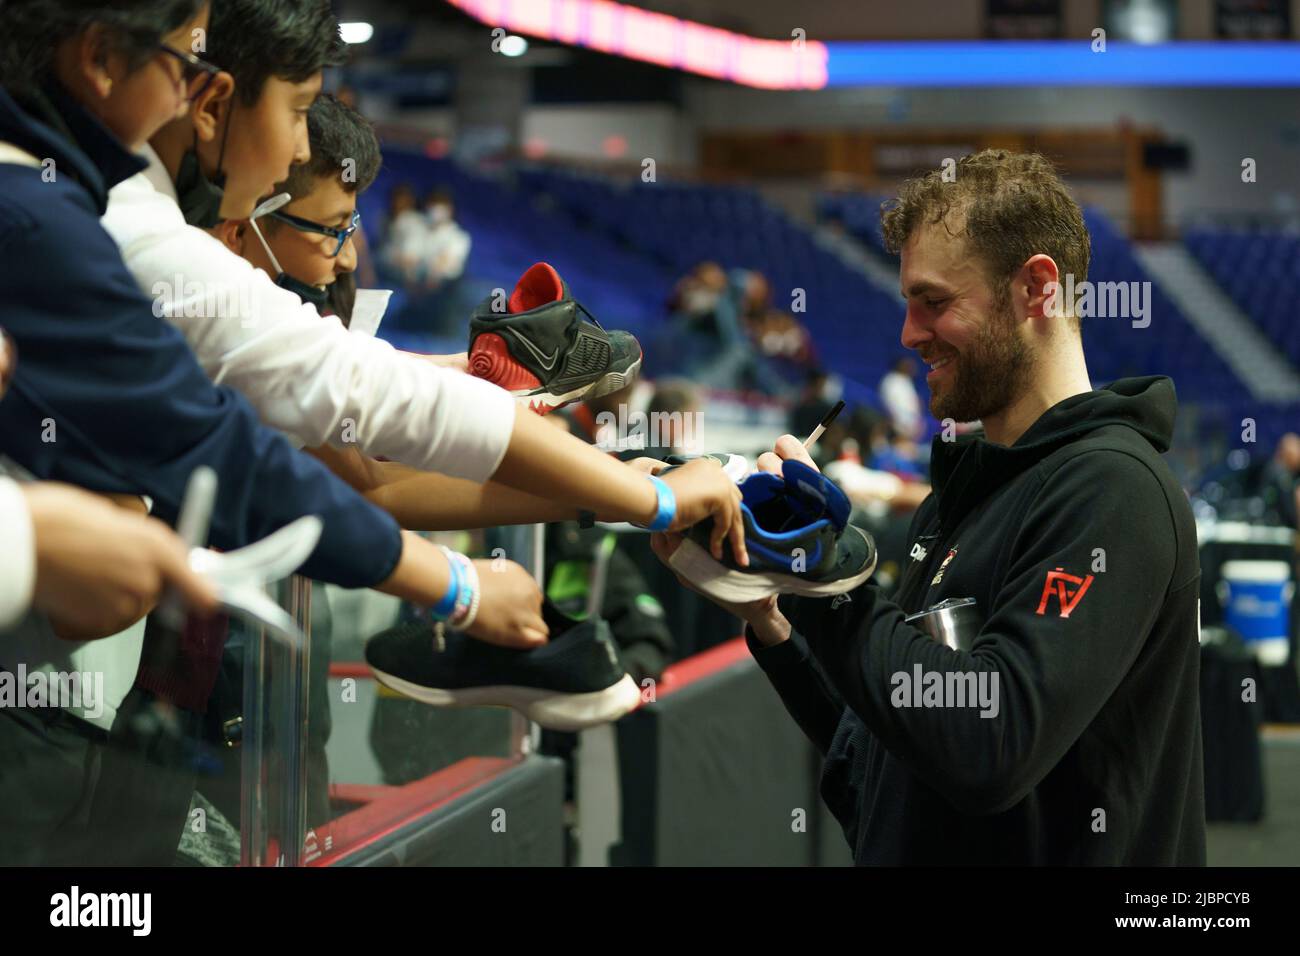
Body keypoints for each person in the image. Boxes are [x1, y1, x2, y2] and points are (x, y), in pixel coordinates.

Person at [654, 149, 1205, 865]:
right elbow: (883, 758)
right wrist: (774, 605)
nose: (910, 334)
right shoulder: (964, 494)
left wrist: (826, 577)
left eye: (935, 302)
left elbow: (989, 743)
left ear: (1037, 287)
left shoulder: (1113, 491)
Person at [879, 356, 923, 441]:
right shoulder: (891, 380)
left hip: (910, 429)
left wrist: (918, 423)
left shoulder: (906, 381)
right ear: (900, 365)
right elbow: (890, 405)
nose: (912, 368)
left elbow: (914, 405)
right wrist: (899, 426)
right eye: (907, 365)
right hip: (897, 429)